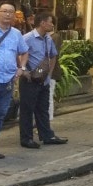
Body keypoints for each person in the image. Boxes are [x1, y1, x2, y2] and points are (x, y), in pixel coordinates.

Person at [19, 11, 67, 149]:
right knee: (27, 110)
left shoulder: (48, 38)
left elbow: (53, 56)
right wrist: (23, 70)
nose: (52, 25)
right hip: (29, 80)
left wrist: (49, 74)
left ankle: (47, 135)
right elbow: (18, 53)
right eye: (50, 22)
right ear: (42, 23)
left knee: (43, 109)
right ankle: (26, 138)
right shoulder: (27, 38)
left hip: (43, 79)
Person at [0, 0, 29, 159]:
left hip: (8, 82)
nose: (7, 14)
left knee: (0, 116)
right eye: (4, 11)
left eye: (10, 12)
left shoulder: (16, 34)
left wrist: (22, 68)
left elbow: (24, 52)